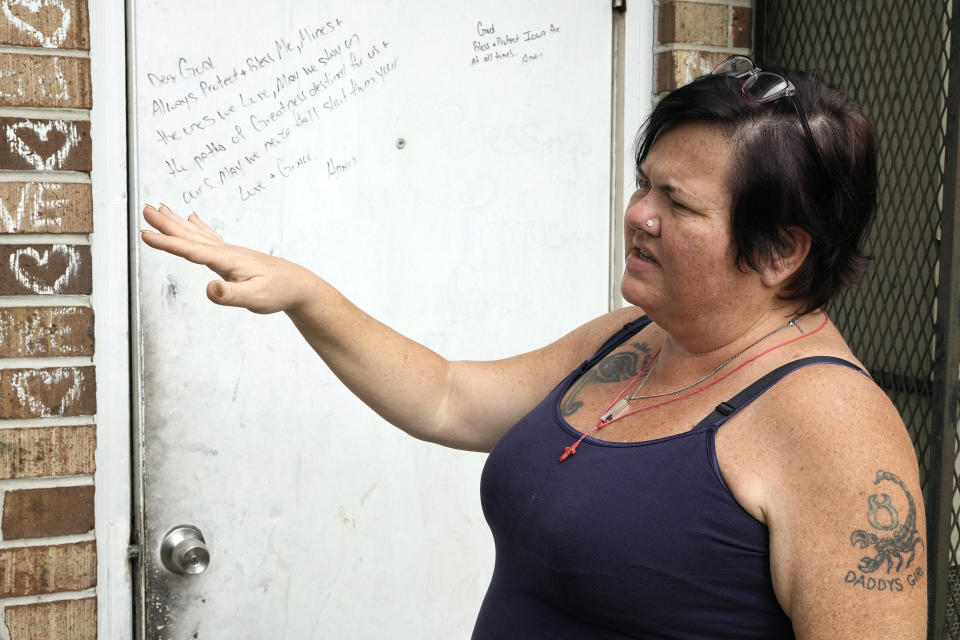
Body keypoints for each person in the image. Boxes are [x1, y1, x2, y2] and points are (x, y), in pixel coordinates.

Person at [141, 56, 926, 639]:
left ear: (782, 251)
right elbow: (447, 395)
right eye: (645, 183)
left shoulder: (833, 427)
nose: (639, 214)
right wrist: (306, 293)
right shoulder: (635, 342)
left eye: (677, 203)